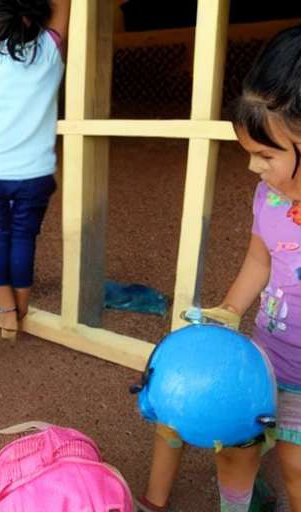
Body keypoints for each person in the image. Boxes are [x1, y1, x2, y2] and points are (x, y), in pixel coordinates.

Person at [135, 24, 301, 512]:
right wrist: (231, 307)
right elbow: (258, 257)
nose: (254, 168)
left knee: (295, 467)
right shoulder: (270, 197)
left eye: (265, 155)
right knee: (234, 452)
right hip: (266, 363)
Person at [0, 0, 71, 340]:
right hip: (33, 174)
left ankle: (4, 310)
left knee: (0, 237)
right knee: (23, 238)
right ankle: (19, 310)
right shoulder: (48, 51)